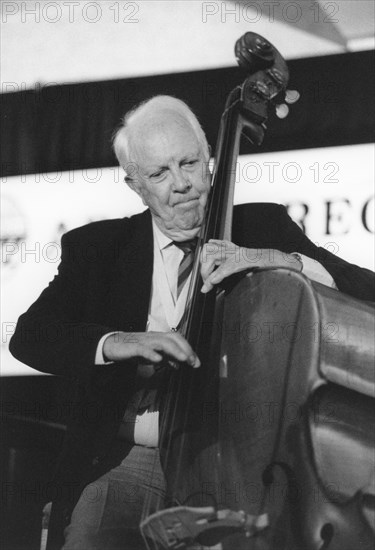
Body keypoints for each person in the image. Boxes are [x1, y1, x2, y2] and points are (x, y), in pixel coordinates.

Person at [9, 96, 375, 550]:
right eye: (160, 174)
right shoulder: (98, 248)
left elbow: (366, 290)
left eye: (189, 163)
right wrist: (117, 341)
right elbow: (30, 337)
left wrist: (284, 261)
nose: (181, 184)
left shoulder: (261, 225)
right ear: (136, 186)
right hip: (132, 459)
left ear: (210, 164)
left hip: (244, 461)